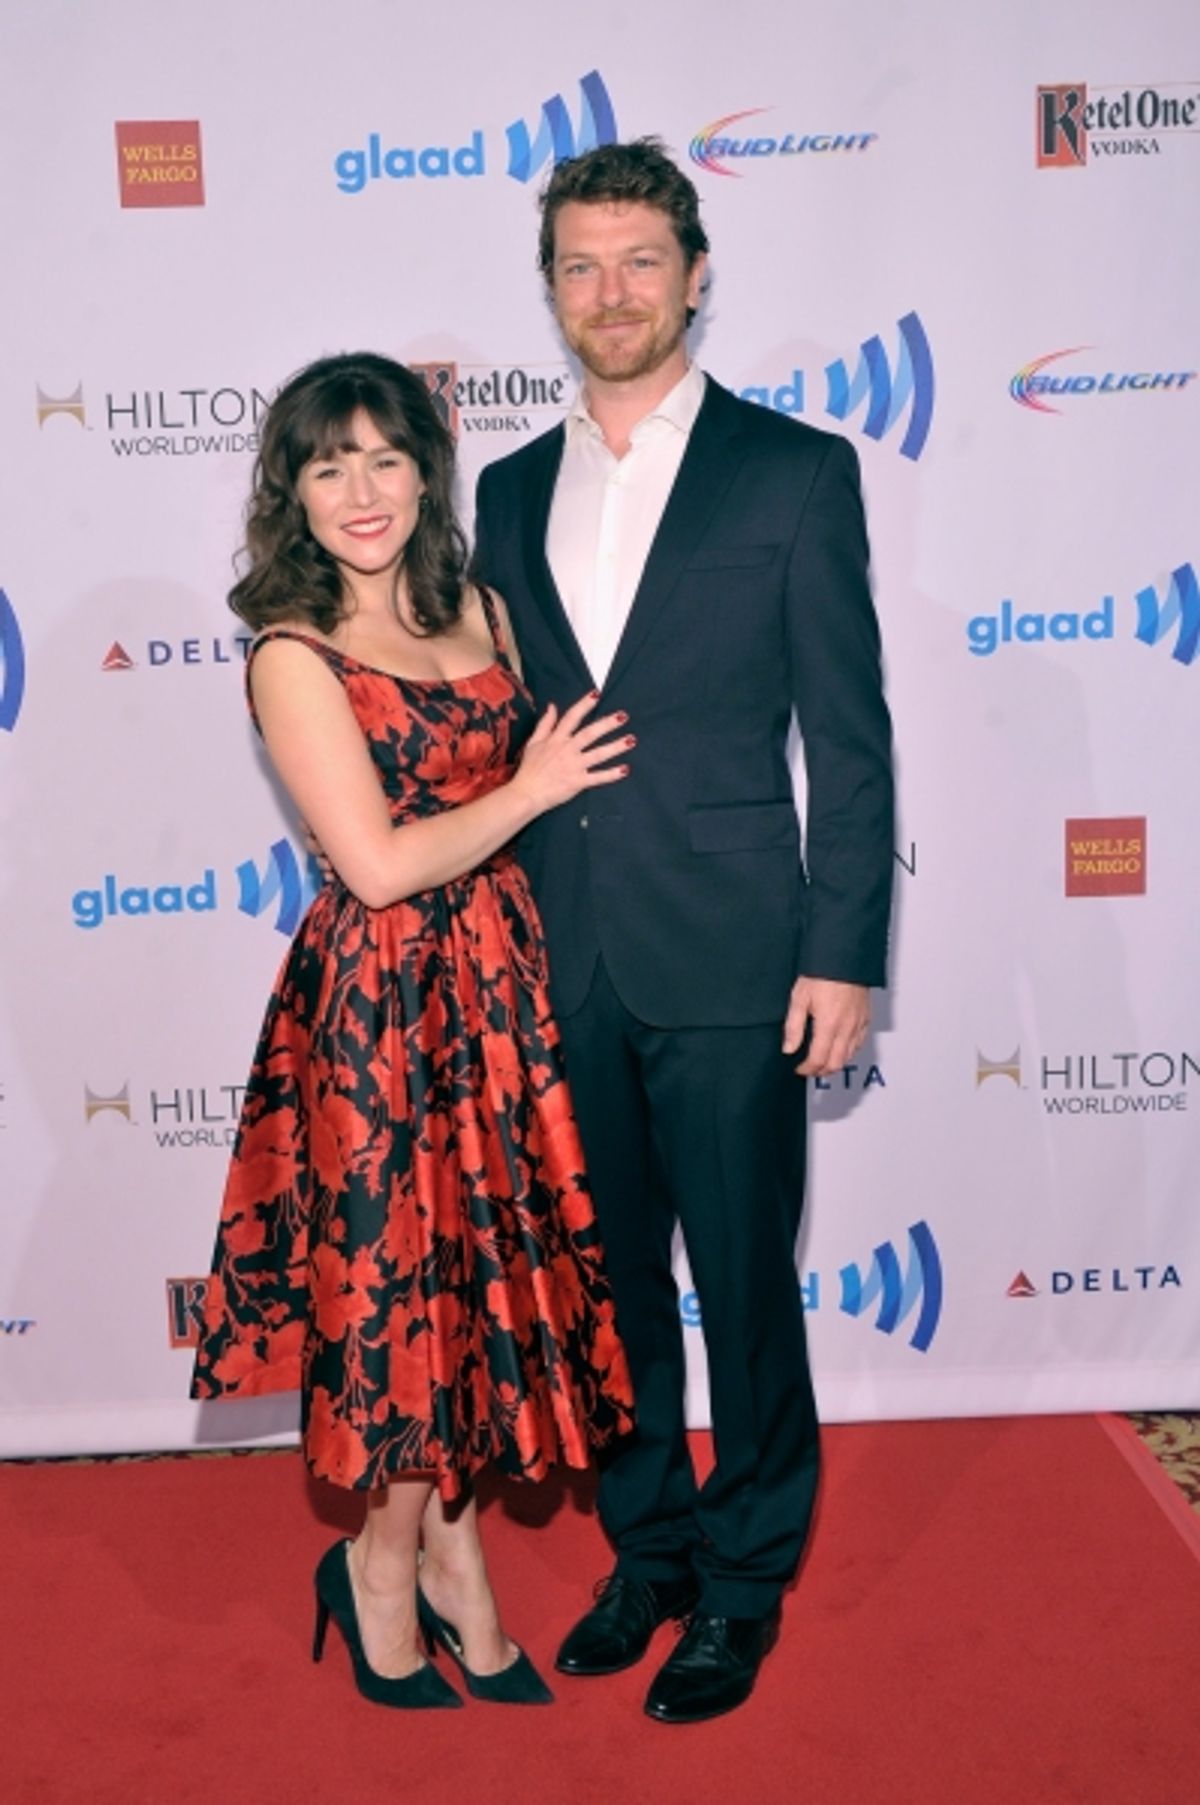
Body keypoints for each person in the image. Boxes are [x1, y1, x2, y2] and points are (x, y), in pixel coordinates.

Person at [471, 139, 894, 1724]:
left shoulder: (793, 470)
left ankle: (743, 1578)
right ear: (552, 290)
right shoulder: (506, 490)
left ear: (698, 273)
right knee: (607, 1284)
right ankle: (647, 1544)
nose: (612, 293)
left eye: (641, 260)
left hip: (733, 951)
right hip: (558, 950)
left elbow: (849, 740)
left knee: (742, 1272)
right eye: (581, 265)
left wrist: (843, 950)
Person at [191, 351, 635, 1710]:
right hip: (381, 1009)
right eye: (331, 464)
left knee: (479, 1283)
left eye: (387, 457)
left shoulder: (486, 610)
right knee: (401, 1297)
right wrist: (537, 782)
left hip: (499, 994)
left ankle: (453, 1548)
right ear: (295, 492)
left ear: (427, 472)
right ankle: (383, 1570)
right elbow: (377, 866)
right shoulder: (291, 650)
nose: (362, 489)